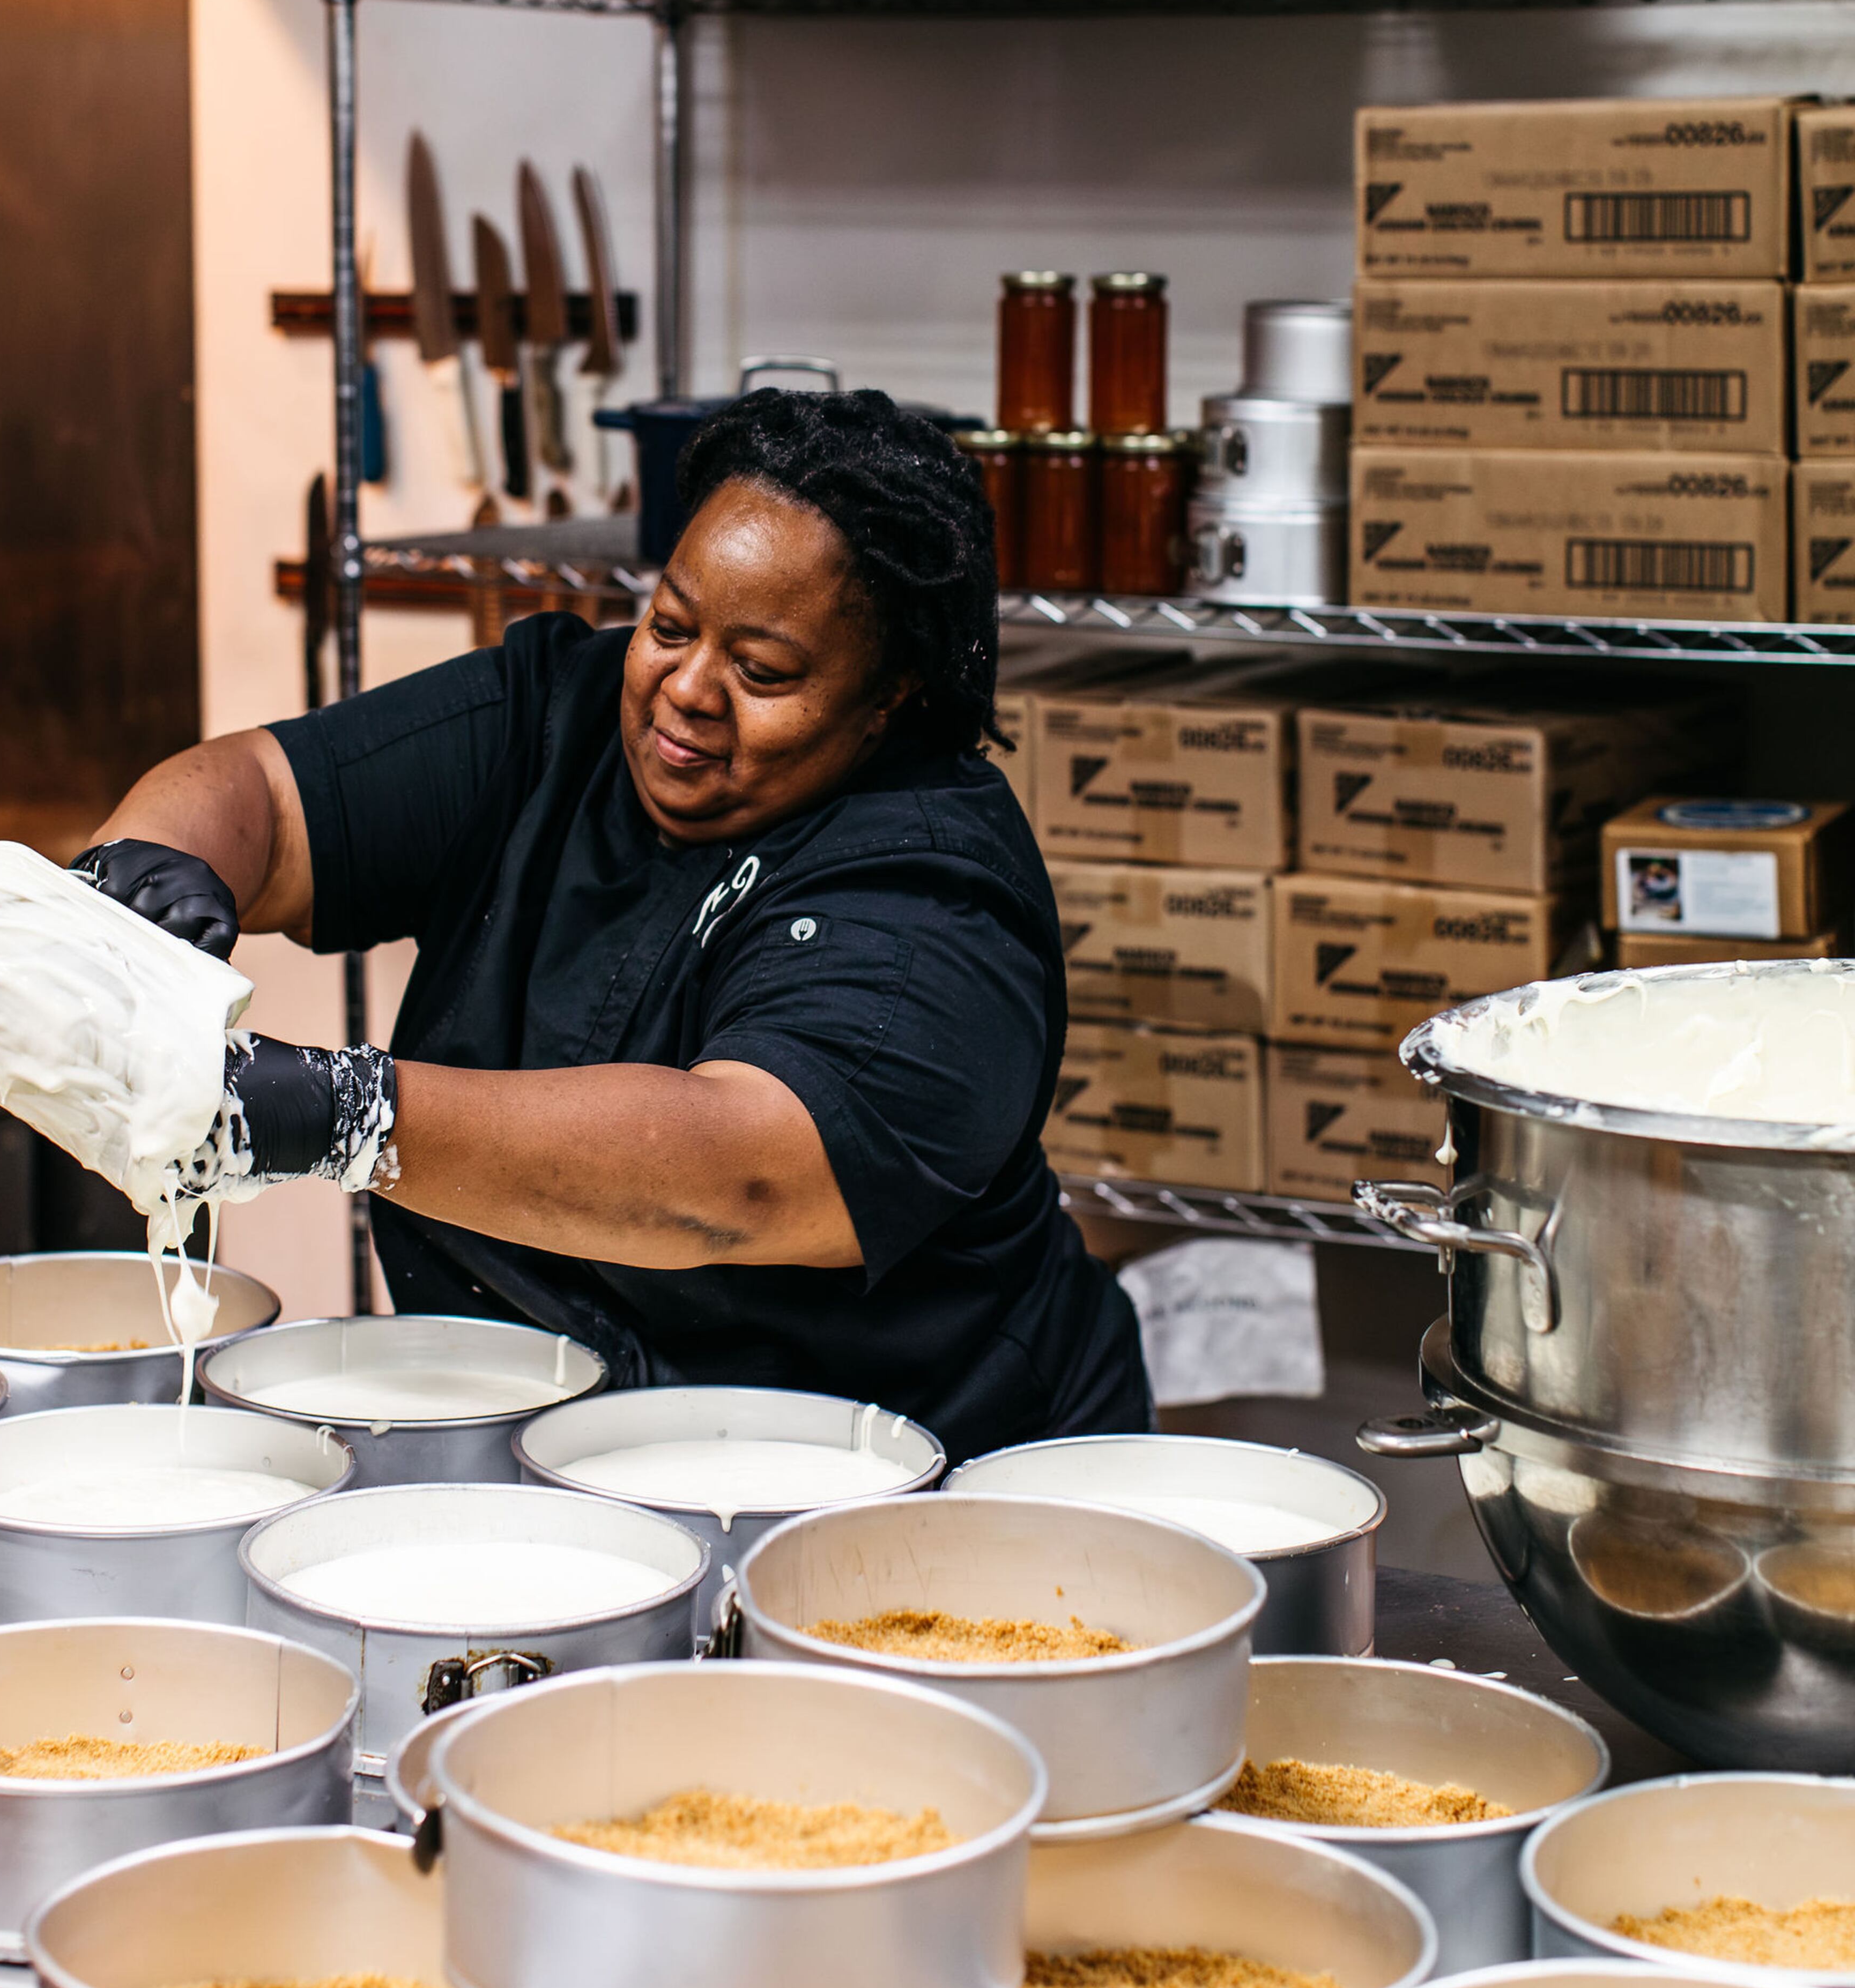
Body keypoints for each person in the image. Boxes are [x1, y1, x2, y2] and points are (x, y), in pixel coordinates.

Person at [77, 388, 1149, 1460]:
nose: (688, 688)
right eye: (669, 626)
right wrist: (148, 870)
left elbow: (731, 1176)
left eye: (762, 672)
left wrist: (341, 1112)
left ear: (890, 696)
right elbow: (265, 795)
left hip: (905, 1468)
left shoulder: (936, 899)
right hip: (579, 1442)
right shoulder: (560, 712)